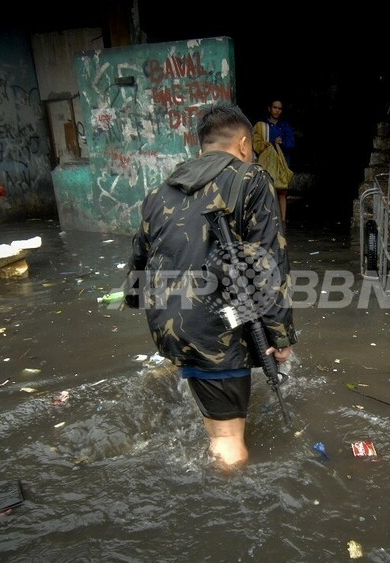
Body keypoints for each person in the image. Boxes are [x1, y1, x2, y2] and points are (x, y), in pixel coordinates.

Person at [125, 101, 297, 472]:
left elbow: (138, 262)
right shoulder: (251, 179)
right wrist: (280, 336)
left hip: (168, 322)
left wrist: (137, 300)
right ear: (244, 144)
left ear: (203, 145)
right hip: (217, 327)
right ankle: (230, 497)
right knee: (227, 442)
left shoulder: (159, 191)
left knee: (212, 408)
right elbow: (268, 265)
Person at [253, 100, 295, 223]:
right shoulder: (261, 126)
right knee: (267, 192)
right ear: (269, 108)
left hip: (282, 164)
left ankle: (282, 221)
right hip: (266, 164)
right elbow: (255, 143)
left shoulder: (285, 126)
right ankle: (268, 221)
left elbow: (291, 143)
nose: (277, 110)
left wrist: (282, 142)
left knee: (282, 193)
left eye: (279, 108)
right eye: (275, 107)